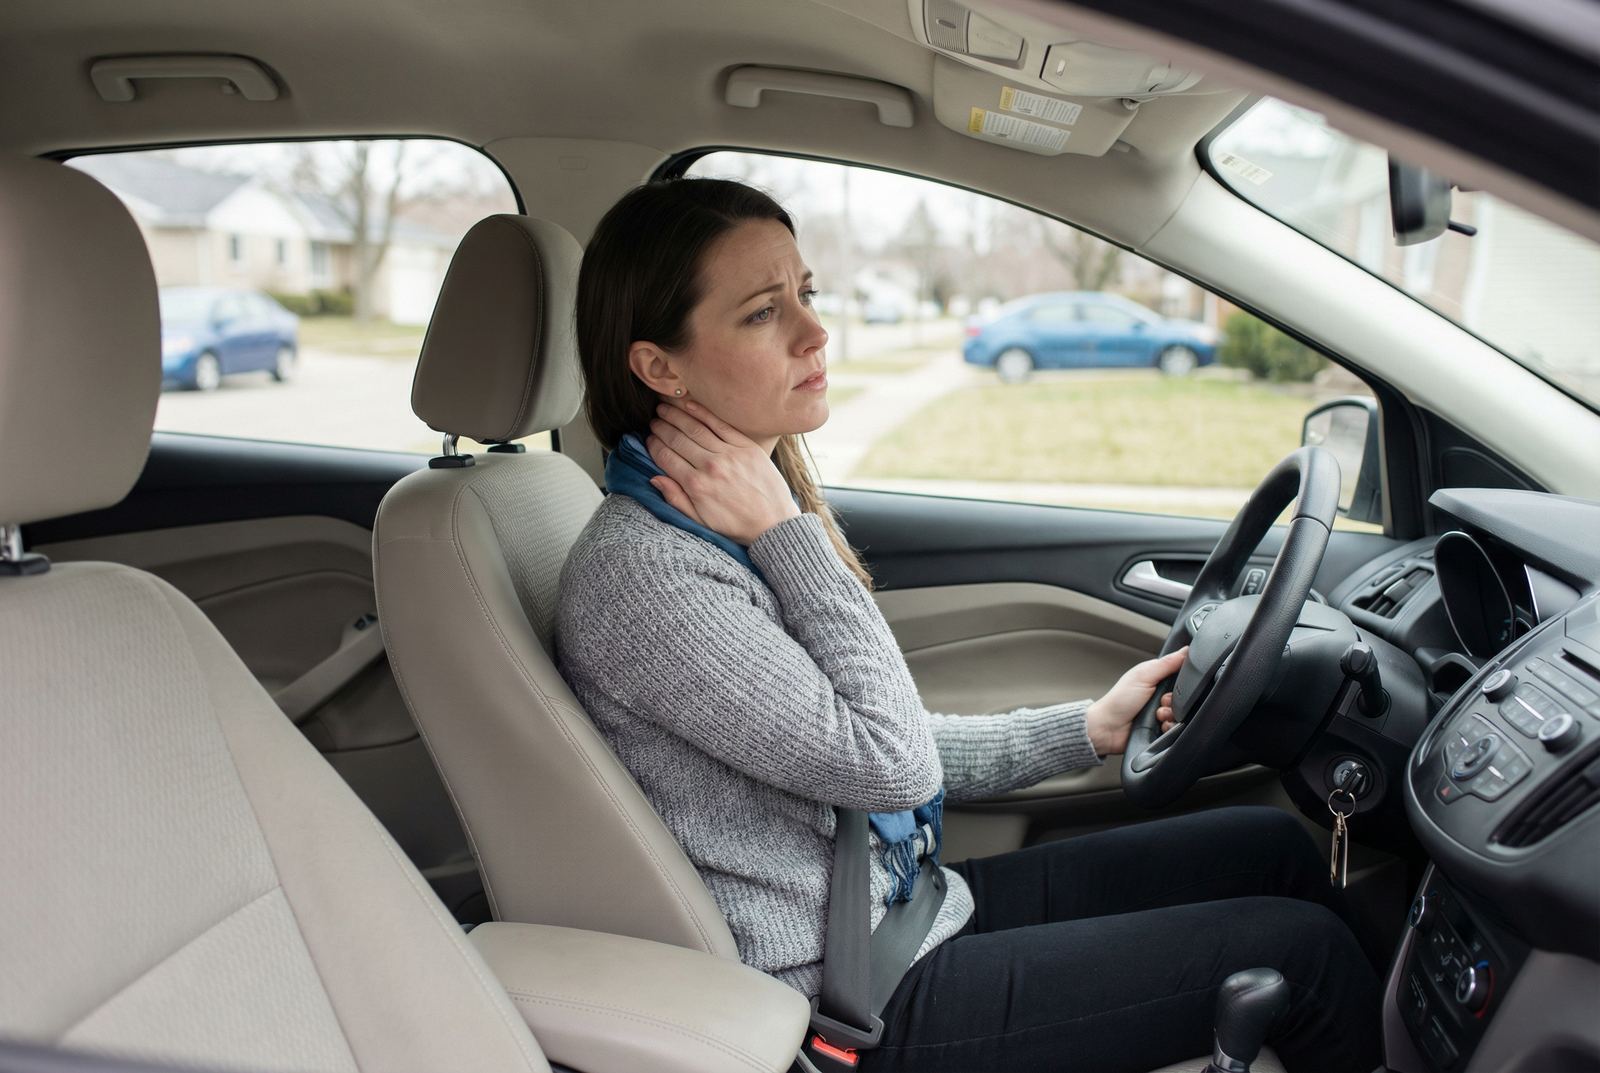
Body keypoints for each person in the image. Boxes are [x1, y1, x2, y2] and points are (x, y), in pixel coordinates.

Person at [554, 177, 1382, 1073]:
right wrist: (790, 535)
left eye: (807, 294)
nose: (814, 332)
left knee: (1263, 846)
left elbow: (860, 740)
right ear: (660, 367)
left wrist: (1087, 728)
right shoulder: (651, 574)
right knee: (1303, 955)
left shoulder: (712, 523)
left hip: (904, 910)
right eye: (763, 312)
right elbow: (888, 757)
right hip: (850, 1002)